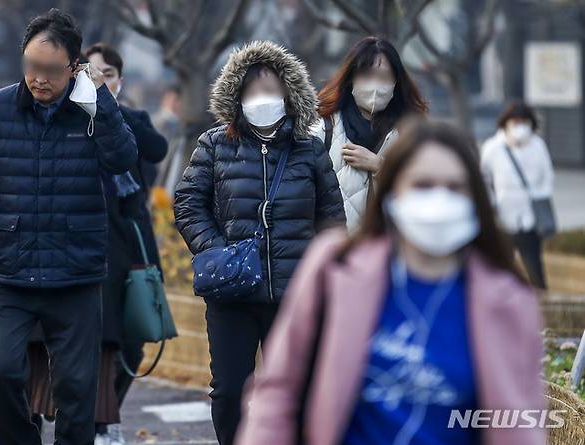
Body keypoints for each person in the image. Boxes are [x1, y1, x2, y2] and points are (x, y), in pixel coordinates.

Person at [236, 119, 546, 445]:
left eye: (455, 187)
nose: (439, 201)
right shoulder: (334, 267)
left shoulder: (509, 299)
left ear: (477, 200)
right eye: (423, 185)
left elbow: (521, 422)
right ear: (393, 192)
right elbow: (278, 388)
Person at [0, 9, 137, 445]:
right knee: (2, 372)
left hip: (77, 274)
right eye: (31, 66)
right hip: (13, 272)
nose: (38, 78)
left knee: (77, 390)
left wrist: (101, 103)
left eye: (49, 70)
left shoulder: (91, 110)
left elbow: (124, 159)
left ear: (74, 67)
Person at [174, 40, 346, 445]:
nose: (262, 98)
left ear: (289, 95)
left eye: (271, 89)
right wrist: (215, 249)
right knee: (231, 391)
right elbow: (188, 203)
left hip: (295, 292)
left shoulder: (309, 150)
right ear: (236, 95)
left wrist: (323, 272)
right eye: (252, 90)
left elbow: (332, 218)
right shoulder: (214, 145)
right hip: (232, 291)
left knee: (296, 391)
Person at [23, 42, 168, 445]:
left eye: (107, 73)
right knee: (64, 341)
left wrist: (108, 106)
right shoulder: (64, 115)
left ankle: (107, 417)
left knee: (130, 341)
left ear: (118, 80)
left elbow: (157, 150)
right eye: (89, 71)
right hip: (72, 243)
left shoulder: (129, 117)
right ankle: (72, 419)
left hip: (126, 245)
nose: (95, 78)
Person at [312, 36, 428, 232]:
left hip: (390, 248)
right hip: (339, 248)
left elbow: (425, 190)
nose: (375, 85)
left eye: (384, 78)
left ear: (396, 83)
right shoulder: (324, 128)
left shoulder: (410, 133)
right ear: (351, 79)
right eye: (367, 76)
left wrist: (379, 166)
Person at [481, 101, 554, 289]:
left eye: (524, 122)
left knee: (533, 264)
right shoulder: (493, 148)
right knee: (501, 264)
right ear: (506, 123)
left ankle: (542, 302)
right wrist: (491, 201)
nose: (520, 127)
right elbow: (483, 177)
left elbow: (547, 175)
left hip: (530, 215)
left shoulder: (538, 146)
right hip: (503, 214)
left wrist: (539, 195)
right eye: (516, 122)